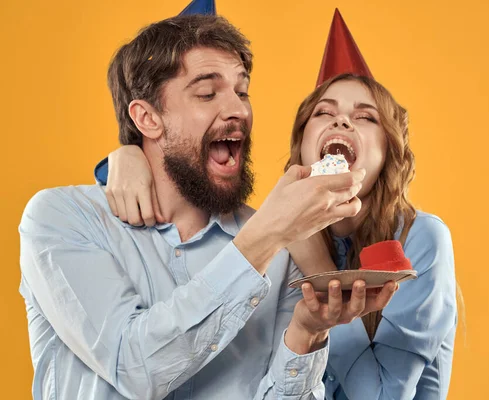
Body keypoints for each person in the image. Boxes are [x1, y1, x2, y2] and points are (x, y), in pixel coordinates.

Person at [18, 13, 399, 400]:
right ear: (147, 118)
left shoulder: (283, 251)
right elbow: (134, 367)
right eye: (207, 93)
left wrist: (306, 333)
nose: (240, 110)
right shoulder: (63, 218)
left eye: (242, 91)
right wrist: (266, 235)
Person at [101, 9, 459, 400]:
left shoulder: (420, 238)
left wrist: (315, 263)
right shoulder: (273, 230)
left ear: (388, 150)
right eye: (324, 113)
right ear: (302, 145)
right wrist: (125, 157)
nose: (342, 123)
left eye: (366, 117)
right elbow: (185, 179)